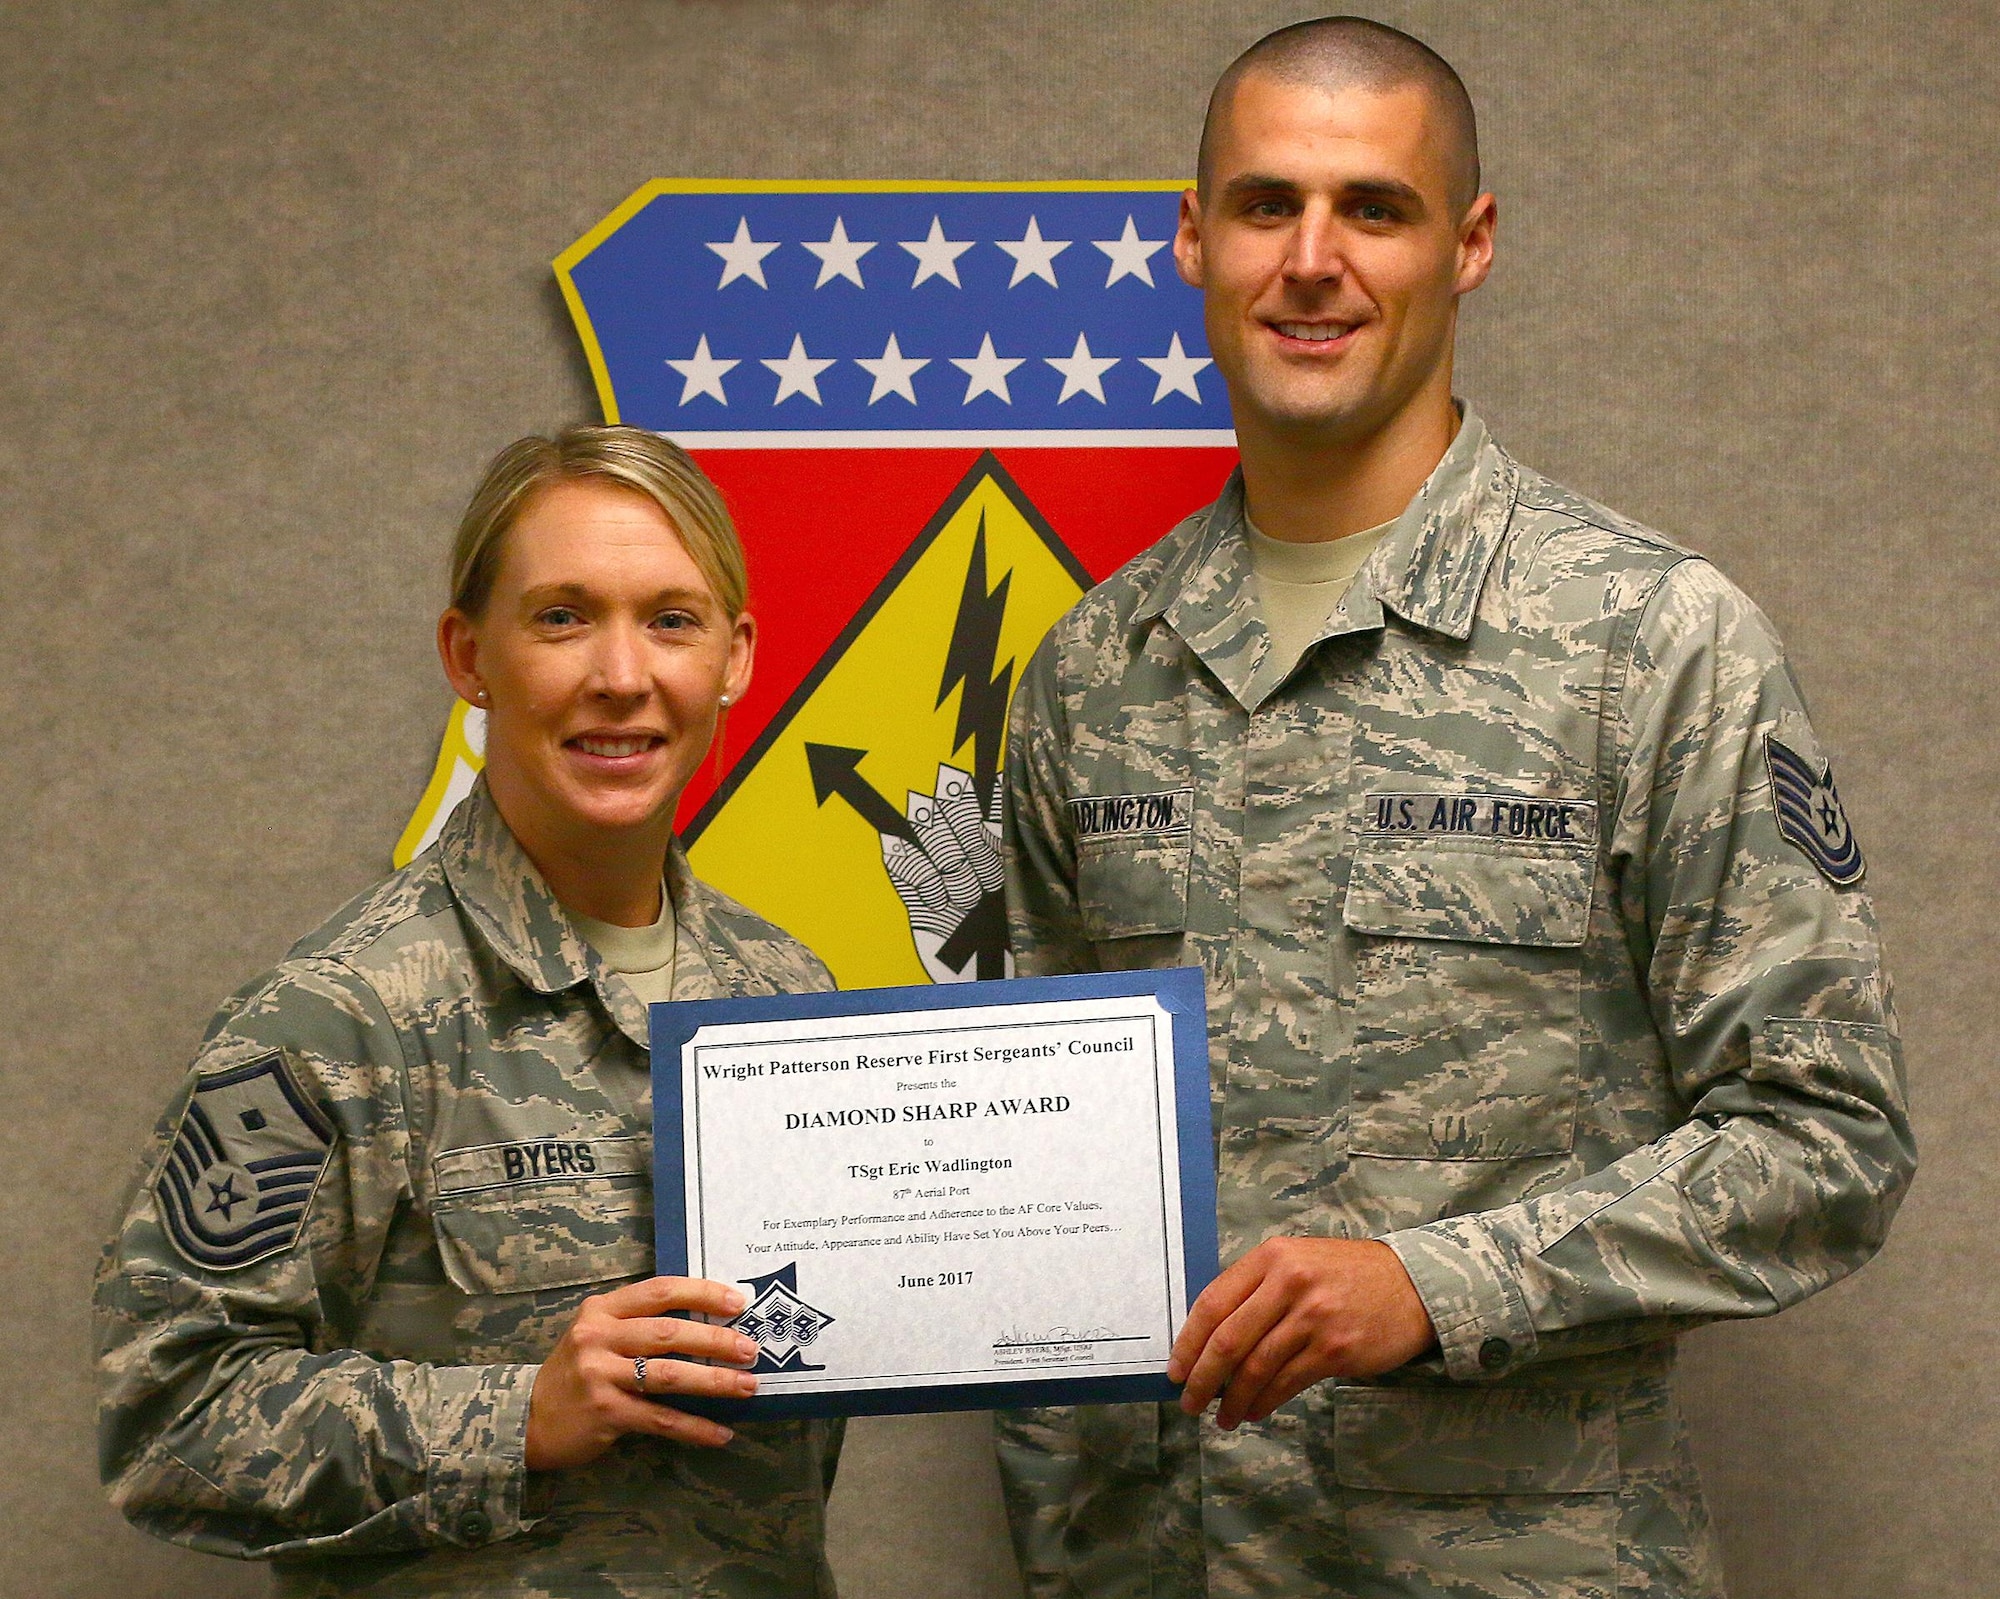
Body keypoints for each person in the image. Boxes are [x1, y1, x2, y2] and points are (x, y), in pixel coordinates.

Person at [995, 16, 1914, 1599]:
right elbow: (1042, 1183)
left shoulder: (1647, 641)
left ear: (1469, 243)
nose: (1312, 259)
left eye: (1375, 207)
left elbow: (1827, 1135)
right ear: (1192, 238)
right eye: (1268, 204)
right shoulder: (1093, 675)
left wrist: (1437, 1281)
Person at [95, 426, 845, 1597]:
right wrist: (514, 1415)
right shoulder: (335, 1019)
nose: (621, 675)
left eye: (670, 619)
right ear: (467, 654)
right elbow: (169, 1413)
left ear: (735, 656)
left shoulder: (790, 997)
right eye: (560, 616)